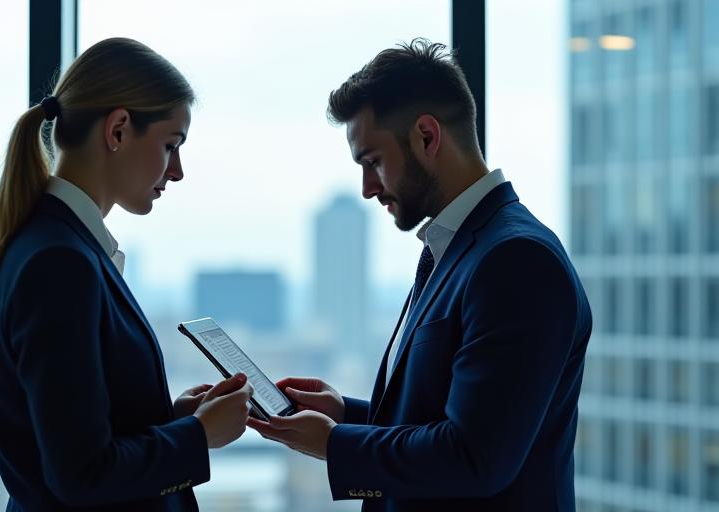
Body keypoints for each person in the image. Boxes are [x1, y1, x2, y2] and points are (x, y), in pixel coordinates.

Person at [249, 38, 592, 511]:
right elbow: (451, 415)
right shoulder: (462, 247)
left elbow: (475, 457)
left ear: (427, 136)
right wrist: (345, 416)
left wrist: (334, 444)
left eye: (372, 162)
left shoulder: (516, 261)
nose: (368, 188)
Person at [0, 37, 253, 511]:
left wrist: (173, 419)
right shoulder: (60, 263)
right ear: (117, 131)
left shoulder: (59, 246)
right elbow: (81, 475)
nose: (177, 172)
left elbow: (76, 432)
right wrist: (198, 436)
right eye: (170, 145)